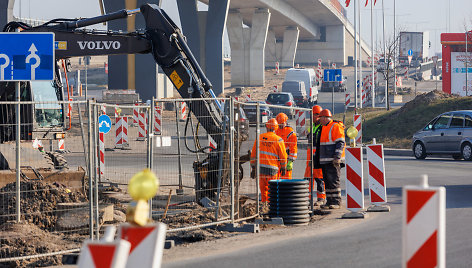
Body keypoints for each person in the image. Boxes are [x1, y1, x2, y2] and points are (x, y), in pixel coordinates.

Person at [250, 118, 288, 203]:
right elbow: (283, 156)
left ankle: (264, 206)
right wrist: (283, 168)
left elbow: (253, 154)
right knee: (273, 190)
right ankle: (272, 207)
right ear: (276, 128)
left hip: (261, 169)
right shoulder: (279, 140)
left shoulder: (260, 137)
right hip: (273, 170)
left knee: (263, 191)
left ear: (267, 127)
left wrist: (253, 168)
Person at [317, 109, 345, 209]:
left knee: (334, 181)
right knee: (327, 182)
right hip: (325, 160)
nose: (319, 120)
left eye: (320, 118)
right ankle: (329, 202)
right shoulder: (324, 127)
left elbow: (340, 142)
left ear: (325, 118)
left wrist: (337, 157)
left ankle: (336, 202)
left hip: (332, 160)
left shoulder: (335, 126)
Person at [303, 105, 326, 205]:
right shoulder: (312, 126)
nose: (312, 117)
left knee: (319, 178)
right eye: (311, 115)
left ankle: (321, 198)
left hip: (318, 156)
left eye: (314, 115)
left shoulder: (322, 127)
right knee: (308, 178)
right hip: (310, 157)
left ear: (319, 115)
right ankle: (307, 198)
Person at [275, 113, 297, 179]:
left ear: (286, 122)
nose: (280, 125)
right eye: (279, 123)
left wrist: (291, 161)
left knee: (286, 179)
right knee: (277, 179)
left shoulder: (290, 132)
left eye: (282, 123)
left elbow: (293, 147)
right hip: (277, 159)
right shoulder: (276, 130)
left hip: (286, 159)